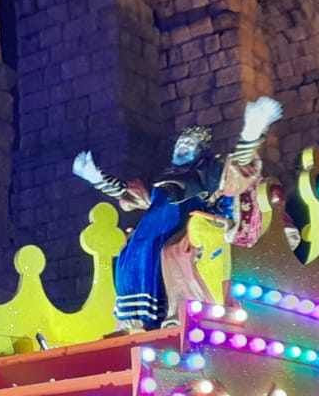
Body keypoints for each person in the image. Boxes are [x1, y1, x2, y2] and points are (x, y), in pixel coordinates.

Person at [73, 98, 284, 331]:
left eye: (189, 143)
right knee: (127, 257)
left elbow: (235, 171)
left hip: (186, 229)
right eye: (180, 143)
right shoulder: (166, 179)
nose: (182, 146)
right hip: (151, 233)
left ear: (201, 151)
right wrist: (97, 179)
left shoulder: (207, 172)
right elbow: (132, 194)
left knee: (172, 253)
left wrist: (250, 135)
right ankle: (130, 321)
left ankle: (180, 315)